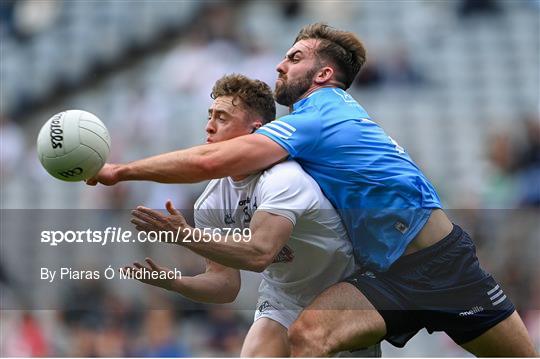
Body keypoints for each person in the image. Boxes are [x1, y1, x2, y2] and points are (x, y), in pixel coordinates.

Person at [88, 23, 538, 356]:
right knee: (307, 335)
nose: (281, 64)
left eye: (295, 57)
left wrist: (120, 171)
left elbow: (211, 160)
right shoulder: (306, 132)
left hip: (445, 266)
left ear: (323, 74)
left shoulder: (318, 116)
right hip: (386, 275)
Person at [122, 74, 379, 357]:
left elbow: (259, 255)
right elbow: (225, 285)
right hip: (283, 298)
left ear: (255, 131)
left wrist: (185, 236)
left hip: (341, 294)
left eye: (222, 117)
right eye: (210, 115)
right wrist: (175, 282)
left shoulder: (283, 179)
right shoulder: (212, 200)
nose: (209, 126)